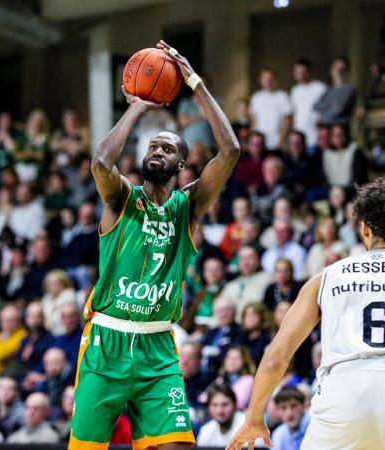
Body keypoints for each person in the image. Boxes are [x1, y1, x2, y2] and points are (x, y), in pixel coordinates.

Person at [227, 179, 385, 450]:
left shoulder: (326, 276)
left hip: (343, 394)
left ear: (363, 227)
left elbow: (276, 358)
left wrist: (254, 418)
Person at [70, 40, 240, 450]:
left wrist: (193, 81)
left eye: (168, 148)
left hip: (159, 348)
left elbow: (230, 150)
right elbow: (99, 163)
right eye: (153, 146)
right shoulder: (121, 198)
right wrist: (138, 107)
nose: (158, 151)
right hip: (106, 344)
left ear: (181, 165)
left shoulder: (189, 206)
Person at [249, 69, 293, 150]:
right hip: (259, 143)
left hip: (277, 142)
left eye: (270, 79)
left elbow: (287, 121)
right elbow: (253, 121)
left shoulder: (283, 96)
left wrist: (281, 140)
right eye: (265, 79)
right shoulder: (256, 97)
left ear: (275, 79)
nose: (268, 81)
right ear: (261, 80)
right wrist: (252, 140)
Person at [290, 59, 327, 148]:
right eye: (298, 72)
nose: (301, 75)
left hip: (315, 137)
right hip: (299, 138)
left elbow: (326, 112)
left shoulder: (321, 88)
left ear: (310, 71)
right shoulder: (295, 90)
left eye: (303, 72)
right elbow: (294, 114)